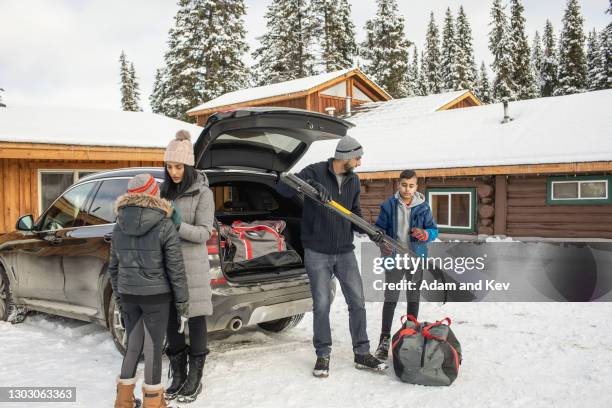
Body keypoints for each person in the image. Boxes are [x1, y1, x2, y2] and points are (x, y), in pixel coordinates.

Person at [277, 135, 387, 378]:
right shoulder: (314, 171)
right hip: (317, 252)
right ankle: (323, 355)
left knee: (357, 302)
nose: (359, 163)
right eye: (358, 158)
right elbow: (282, 187)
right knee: (322, 306)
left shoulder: (354, 181)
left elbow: (353, 212)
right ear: (346, 156)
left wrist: (369, 230)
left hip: (345, 252)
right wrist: (312, 187)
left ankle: (362, 352)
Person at [109, 173, 189, 408]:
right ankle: (154, 402)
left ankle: (123, 400)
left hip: (128, 294)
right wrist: (183, 304)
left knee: (133, 344)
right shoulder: (164, 223)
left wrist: (121, 298)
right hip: (156, 296)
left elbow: (114, 267)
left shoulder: (118, 224)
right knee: (153, 347)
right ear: (154, 193)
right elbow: (176, 269)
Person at [160, 130, 215, 404]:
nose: (173, 172)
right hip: (167, 266)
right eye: (169, 166)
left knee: (195, 320)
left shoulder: (203, 193)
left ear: (189, 166)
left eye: (178, 166)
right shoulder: (163, 191)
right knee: (172, 321)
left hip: (192, 267)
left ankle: (195, 377)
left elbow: (205, 233)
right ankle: (179, 374)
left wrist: (178, 224)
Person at [372, 169, 438, 361]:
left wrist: (426, 235)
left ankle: (411, 336)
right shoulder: (388, 206)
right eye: (404, 185)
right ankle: (384, 341)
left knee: (413, 297)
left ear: (416, 187)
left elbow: (433, 230)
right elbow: (378, 230)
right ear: (398, 184)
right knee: (390, 298)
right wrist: (381, 242)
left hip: (415, 259)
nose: (407, 189)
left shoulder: (424, 208)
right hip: (394, 259)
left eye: (411, 186)